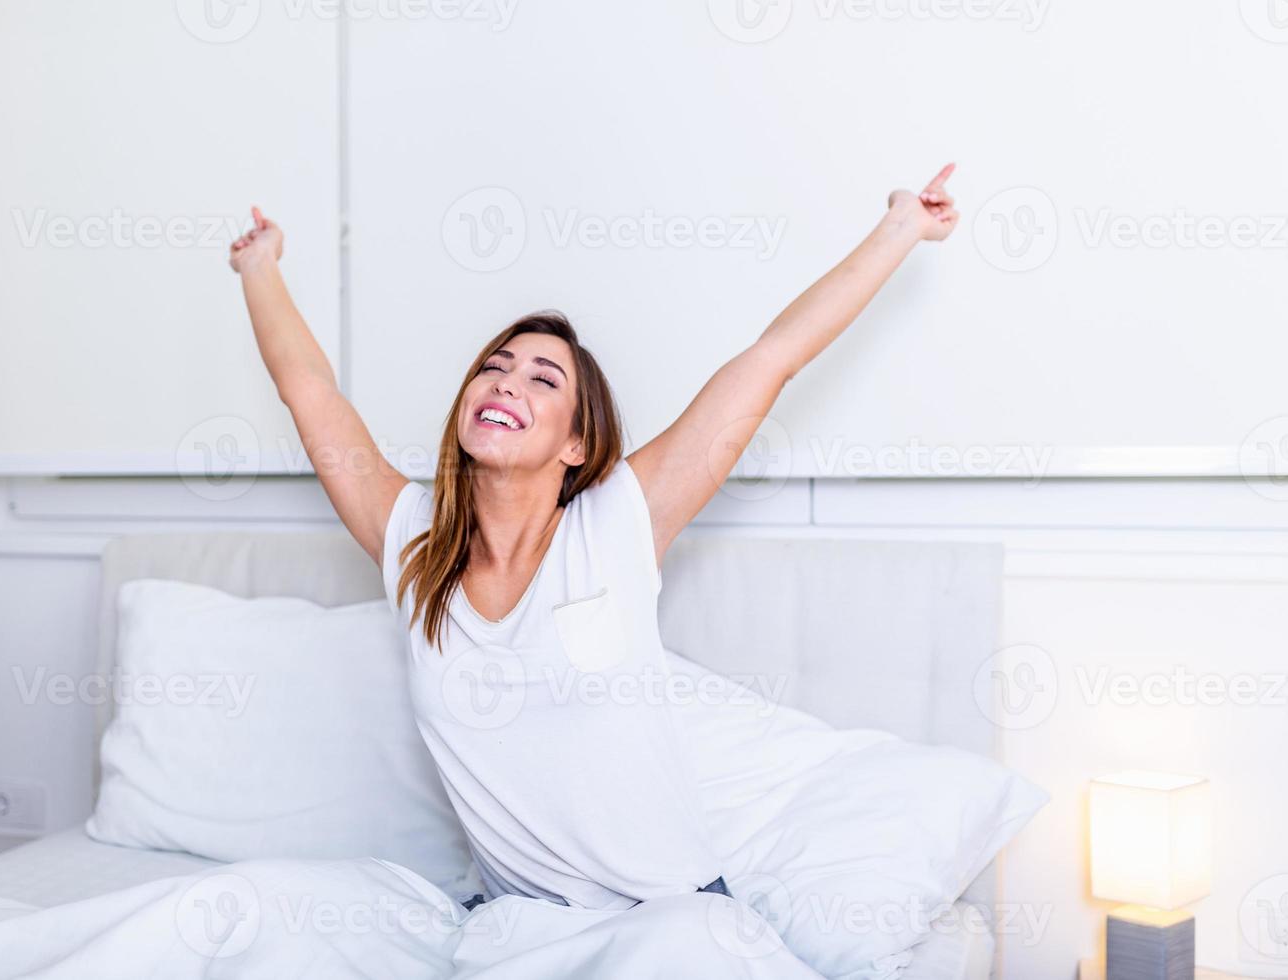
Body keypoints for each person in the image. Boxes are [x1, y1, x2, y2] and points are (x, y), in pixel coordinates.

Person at [228, 166, 959, 912]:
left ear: (577, 443)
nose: (507, 383)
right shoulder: (413, 545)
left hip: (669, 921)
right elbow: (309, 390)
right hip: (519, 933)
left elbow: (773, 358)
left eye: (544, 379)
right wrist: (259, 264)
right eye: (494, 367)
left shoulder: (618, 522)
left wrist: (903, 226)